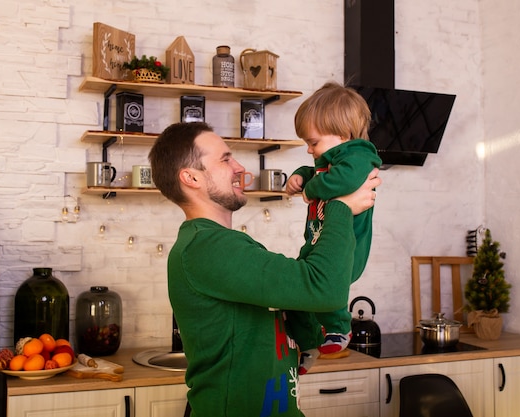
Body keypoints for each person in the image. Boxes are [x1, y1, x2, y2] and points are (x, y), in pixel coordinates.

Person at [148, 121, 381, 417]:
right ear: (191, 177)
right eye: (225, 159)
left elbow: (296, 297)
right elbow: (324, 288)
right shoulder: (206, 247)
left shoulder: (230, 244)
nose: (239, 167)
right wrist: (340, 207)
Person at [285, 81, 382, 369]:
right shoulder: (328, 160)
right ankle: (306, 343)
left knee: (329, 287)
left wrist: (310, 189)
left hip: (346, 248)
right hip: (316, 241)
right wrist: (300, 177)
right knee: (297, 291)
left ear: (342, 135)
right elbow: (316, 172)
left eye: (312, 143)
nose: (308, 150)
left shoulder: (359, 154)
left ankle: (340, 326)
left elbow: (345, 181)